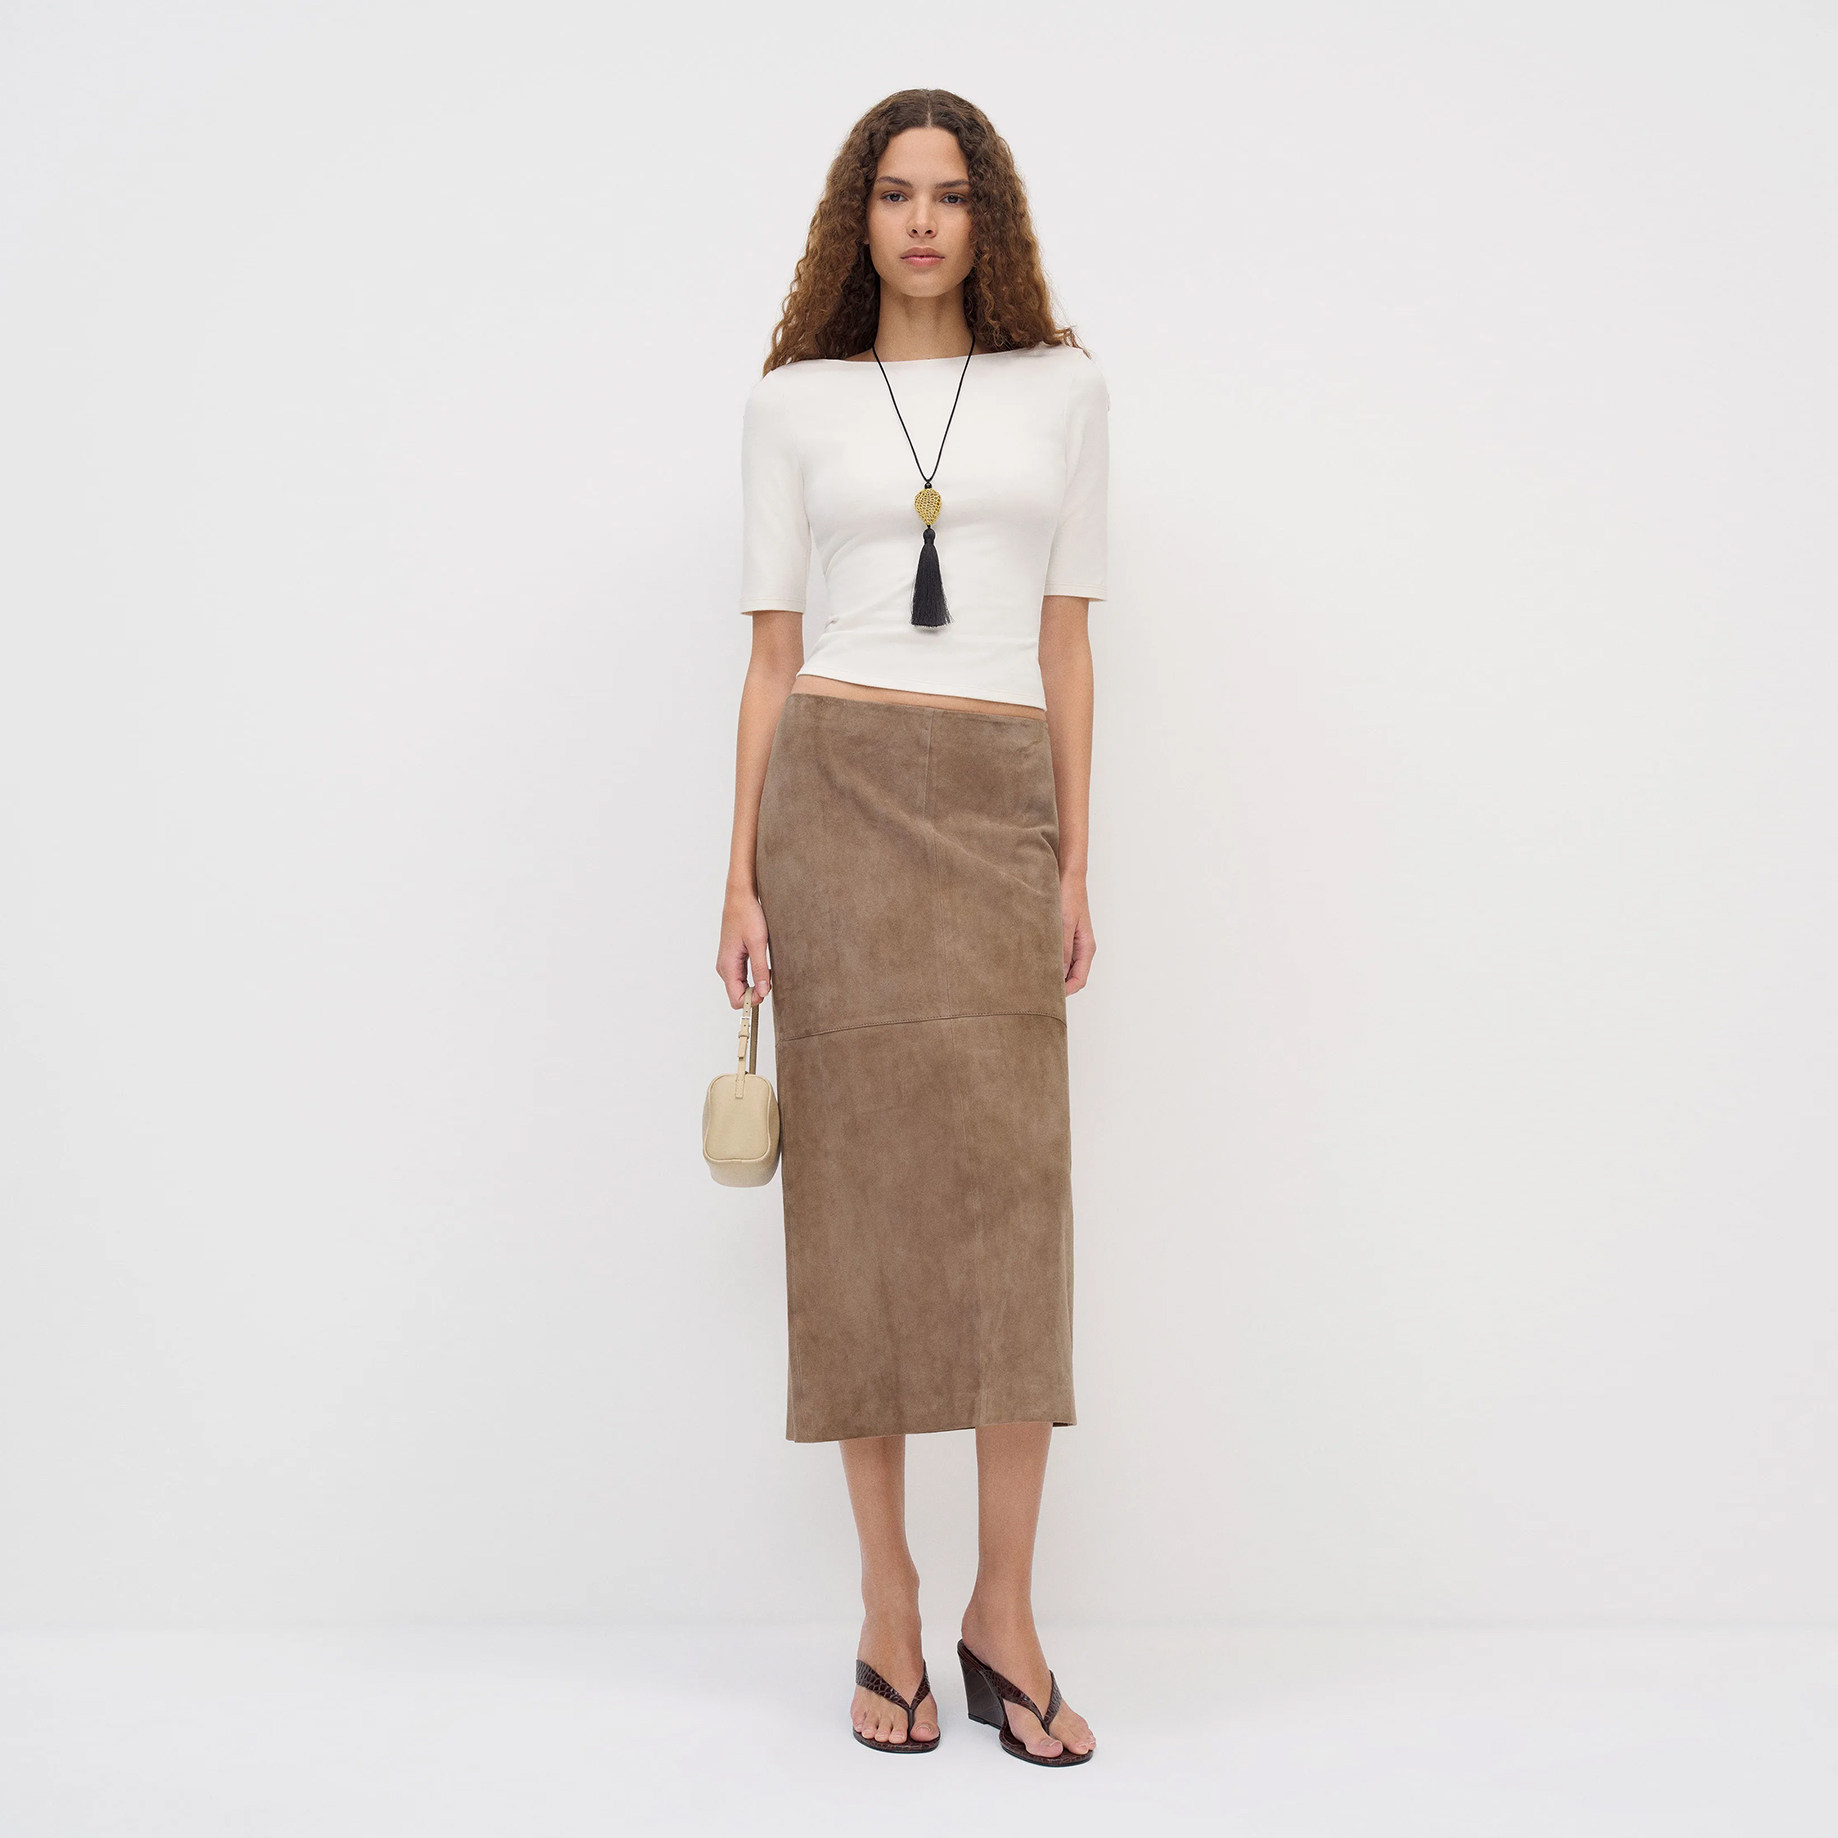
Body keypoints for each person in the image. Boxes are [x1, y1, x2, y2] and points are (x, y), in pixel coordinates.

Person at [716, 88, 1107, 1767]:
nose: (924, 221)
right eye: (895, 194)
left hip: (998, 791)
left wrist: (1072, 858)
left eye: (951, 194)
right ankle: (888, 1604)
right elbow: (769, 658)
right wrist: (739, 874)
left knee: (1017, 1205)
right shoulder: (792, 403)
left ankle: (1001, 1612)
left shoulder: (1063, 390)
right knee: (863, 1213)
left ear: (986, 218)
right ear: (857, 217)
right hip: (840, 795)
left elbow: (1068, 641)